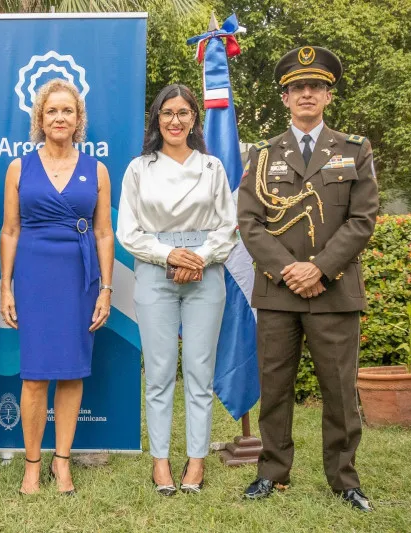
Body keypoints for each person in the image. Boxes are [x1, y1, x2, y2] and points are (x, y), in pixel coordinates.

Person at [237, 46, 378, 511]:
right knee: (274, 388)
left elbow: (363, 218)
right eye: (297, 87)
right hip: (279, 293)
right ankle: (272, 472)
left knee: (339, 390)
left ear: (328, 96)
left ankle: (344, 479)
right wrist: (288, 270)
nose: (306, 94)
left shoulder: (354, 149)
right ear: (284, 97)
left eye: (315, 86)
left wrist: (318, 267)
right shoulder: (262, 154)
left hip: (334, 290)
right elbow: (249, 222)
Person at [116, 84, 237, 496]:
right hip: (154, 274)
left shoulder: (212, 168)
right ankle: (162, 462)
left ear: (194, 120)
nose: (175, 120)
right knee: (160, 372)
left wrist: (197, 257)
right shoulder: (138, 169)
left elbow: (227, 226)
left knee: (200, 373)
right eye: (167, 112)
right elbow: (128, 232)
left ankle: (197, 461)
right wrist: (170, 256)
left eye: (184, 112)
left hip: (206, 274)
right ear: (156, 119)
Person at [0, 79, 114, 496]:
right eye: (52, 111)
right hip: (33, 277)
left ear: (78, 119)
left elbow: (104, 233)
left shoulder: (96, 169)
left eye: (68, 111)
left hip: (79, 279)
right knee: (34, 377)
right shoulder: (19, 167)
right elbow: (10, 230)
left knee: (71, 372)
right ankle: (33, 464)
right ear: (40, 119)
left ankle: (61, 462)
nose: (60, 117)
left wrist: (105, 289)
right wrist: (6, 288)